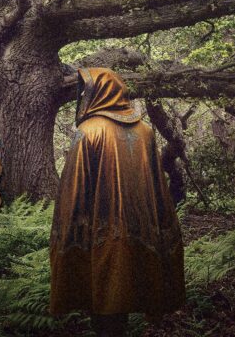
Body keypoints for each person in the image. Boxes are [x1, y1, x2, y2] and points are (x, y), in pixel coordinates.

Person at [50, 67, 186, 336]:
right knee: (120, 297)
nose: (80, 95)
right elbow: (158, 189)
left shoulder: (88, 131)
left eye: (84, 90)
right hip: (141, 232)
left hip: (99, 236)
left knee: (103, 301)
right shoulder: (146, 132)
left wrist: (68, 232)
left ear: (99, 93)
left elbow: (74, 191)